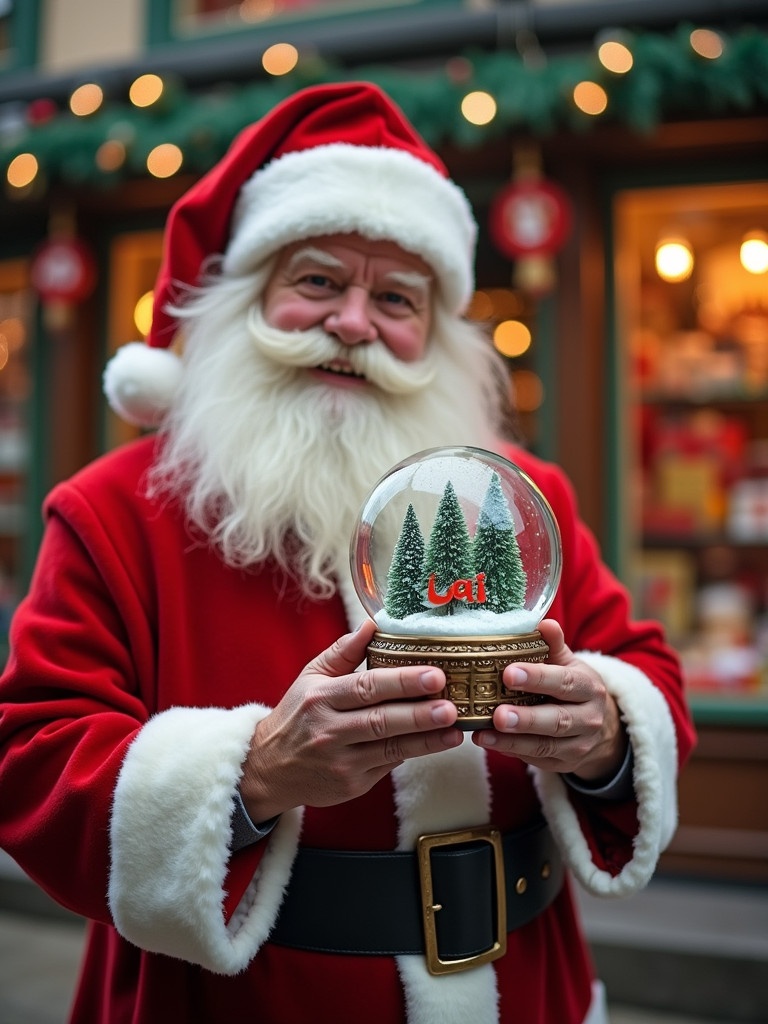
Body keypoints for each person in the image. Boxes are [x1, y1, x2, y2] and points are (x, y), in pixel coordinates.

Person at [0, 82, 695, 1024]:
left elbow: (646, 669)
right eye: (319, 281)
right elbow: (36, 761)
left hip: (524, 987)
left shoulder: (523, 499)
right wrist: (256, 773)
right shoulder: (114, 510)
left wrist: (605, 732)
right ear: (247, 299)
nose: (356, 323)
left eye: (396, 298)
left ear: (435, 336)